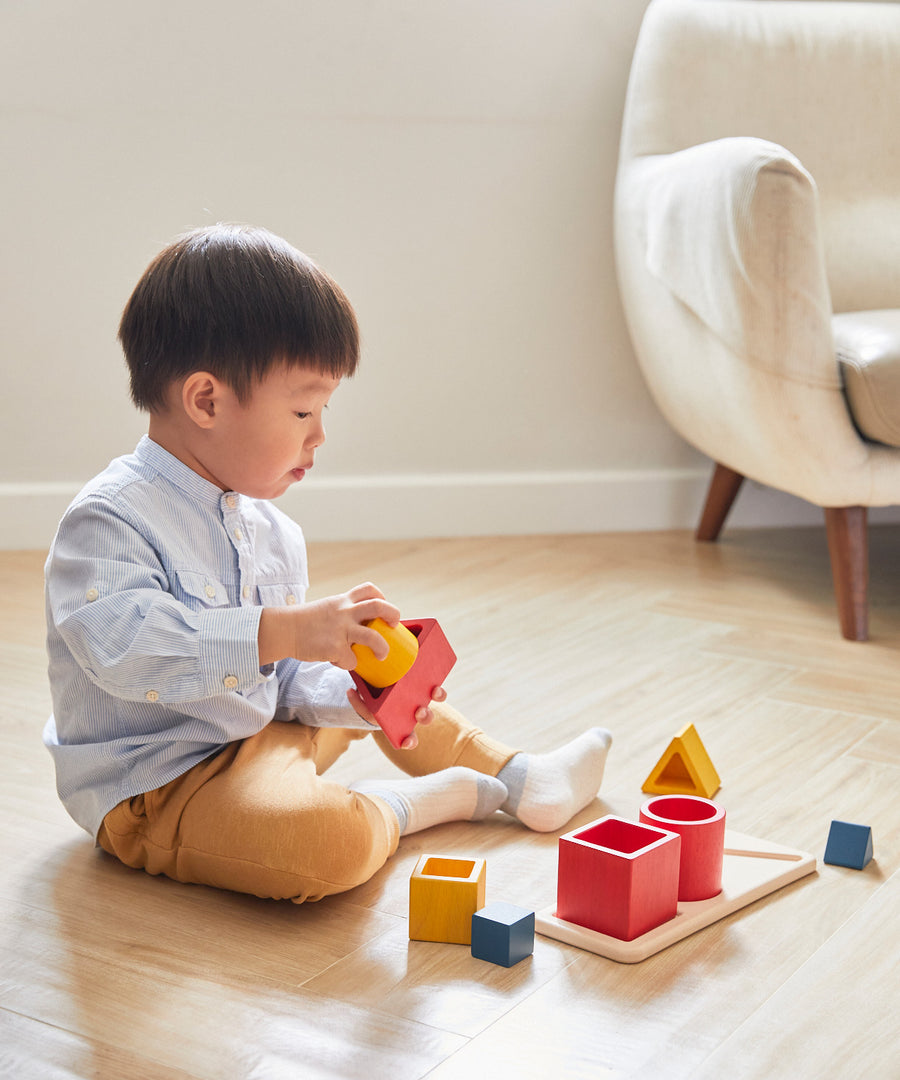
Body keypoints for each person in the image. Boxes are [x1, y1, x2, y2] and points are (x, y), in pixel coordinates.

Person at [43, 223, 612, 903]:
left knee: (396, 704)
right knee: (323, 848)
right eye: (304, 409)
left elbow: (279, 685)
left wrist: (359, 687)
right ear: (206, 401)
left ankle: (522, 779)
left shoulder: (271, 528)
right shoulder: (107, 521)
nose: (320, 435)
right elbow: (134, 656)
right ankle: (402, 808)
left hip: (257, 737)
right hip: (159, 789)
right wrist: (287, 631)